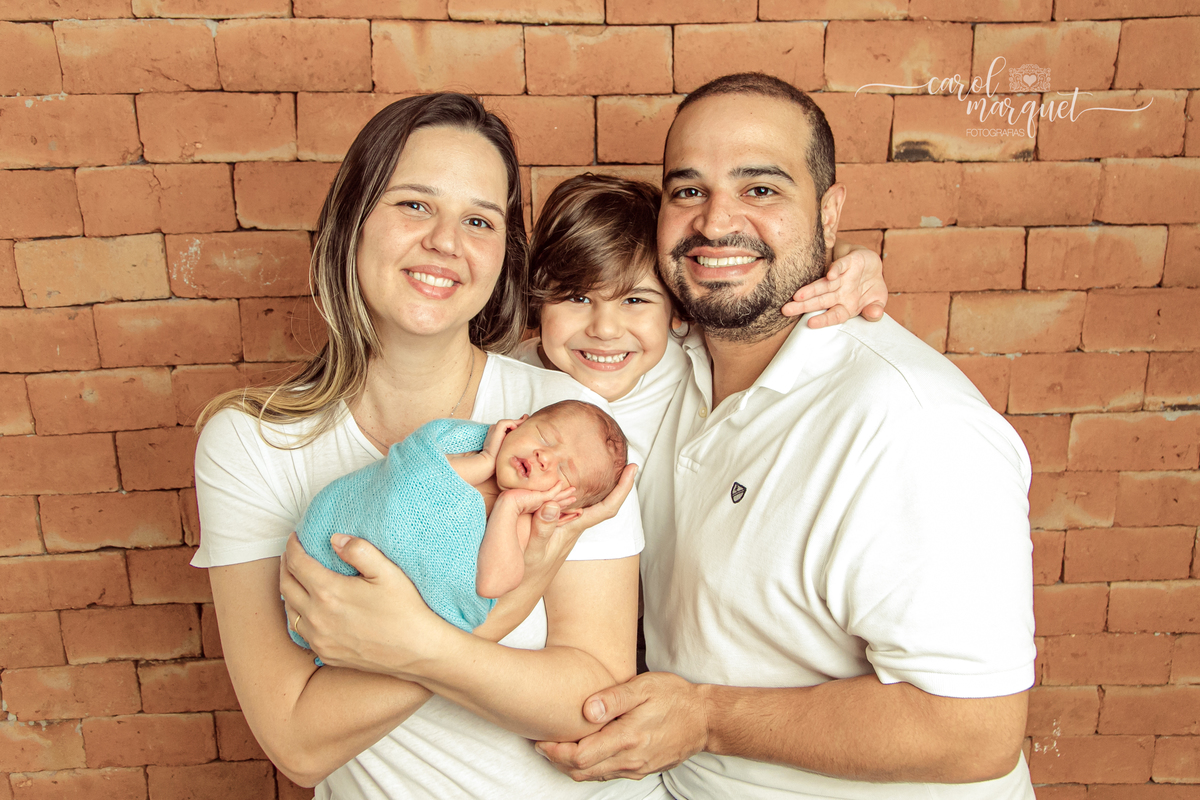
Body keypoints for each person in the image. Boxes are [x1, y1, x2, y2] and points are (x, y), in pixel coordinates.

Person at [537, 73, 1037, 800]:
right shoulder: (659, 364)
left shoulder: (915, 427)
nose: (716, 223)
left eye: (761, 189)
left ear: (830, 214)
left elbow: (975, 730)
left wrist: (707, 718)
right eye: (688, 190)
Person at [192, 93, 664, 800]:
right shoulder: (250, 442)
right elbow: (296, 740)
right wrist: (511, 601)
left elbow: (593, 699)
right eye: (414, 204)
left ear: (501, 254)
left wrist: (413, 643)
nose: (446, 241)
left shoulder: (561, 424)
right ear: (352, 220)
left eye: (479, 219)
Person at [513, 173, 888, 468]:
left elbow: (785, 272)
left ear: (675, 310)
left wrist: (854, 260)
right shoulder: (506, 379)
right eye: (578, 298)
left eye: (634, 299)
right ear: (538, 297)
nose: (605, 329)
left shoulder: (687, 361)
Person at [289, 400, 627, 655]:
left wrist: (508, 507)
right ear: (516, 425)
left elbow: (492, 583)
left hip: (392, 624)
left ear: (564, 509)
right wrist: (483, 462)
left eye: (564, 471)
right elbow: (413, 476)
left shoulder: (521, 523)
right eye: (544, 436)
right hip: (344, 533)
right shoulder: (464, 445)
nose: (544, 457)